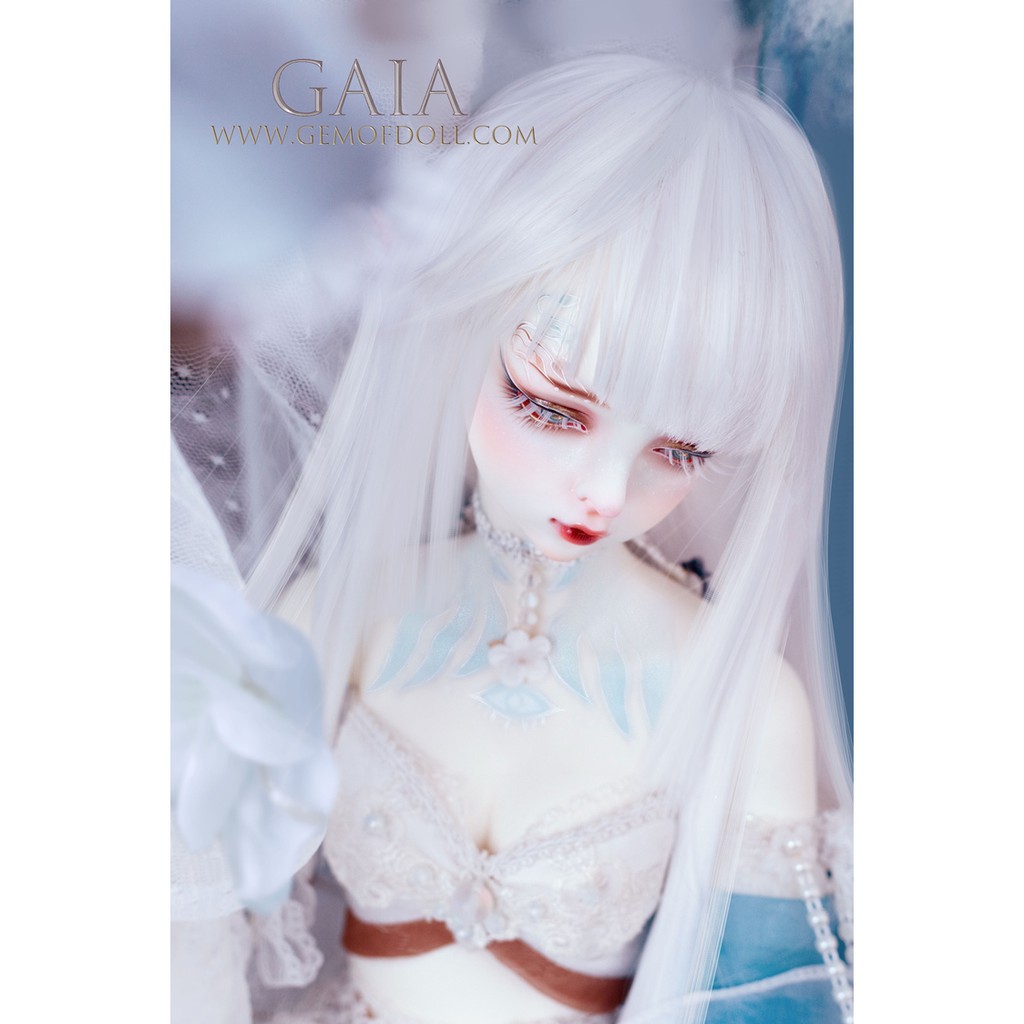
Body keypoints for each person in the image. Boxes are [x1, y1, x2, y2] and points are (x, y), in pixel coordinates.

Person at [176, 54, 853, 1024]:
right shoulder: (336, 612)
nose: (606, 491)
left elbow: (765, 1004)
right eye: (551, 408)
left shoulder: (744, 700)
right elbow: (194, 913)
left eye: (678, 449)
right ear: (461, 337)